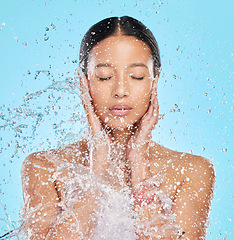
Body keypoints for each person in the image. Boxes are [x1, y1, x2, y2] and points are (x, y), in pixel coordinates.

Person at [20, 16, 215, 239]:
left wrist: (139, 166)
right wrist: (96, 173)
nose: (120, 90)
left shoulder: (192, 171)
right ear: (84, 82)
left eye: (137, 76)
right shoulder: (44, 168)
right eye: (104, 77)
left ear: (154, 81)